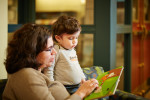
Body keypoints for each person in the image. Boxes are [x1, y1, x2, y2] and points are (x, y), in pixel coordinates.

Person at [3, 23, 99, 100]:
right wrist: (81, 93)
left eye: (53, 47)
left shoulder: (36, 72)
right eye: (49, 49)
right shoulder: (26, 75)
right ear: (31, 52)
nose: (54, 52)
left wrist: (86, 90)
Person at [43, 16, 85, 94]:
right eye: (71, 38)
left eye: (76, 38)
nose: (74, 41)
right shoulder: (56, 50)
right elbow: (49, 70)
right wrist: (51, 86)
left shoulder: (72, 50)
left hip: (77, 86)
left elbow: (77, 65)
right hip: (64, 88)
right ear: (58, 38)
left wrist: (82, 77)